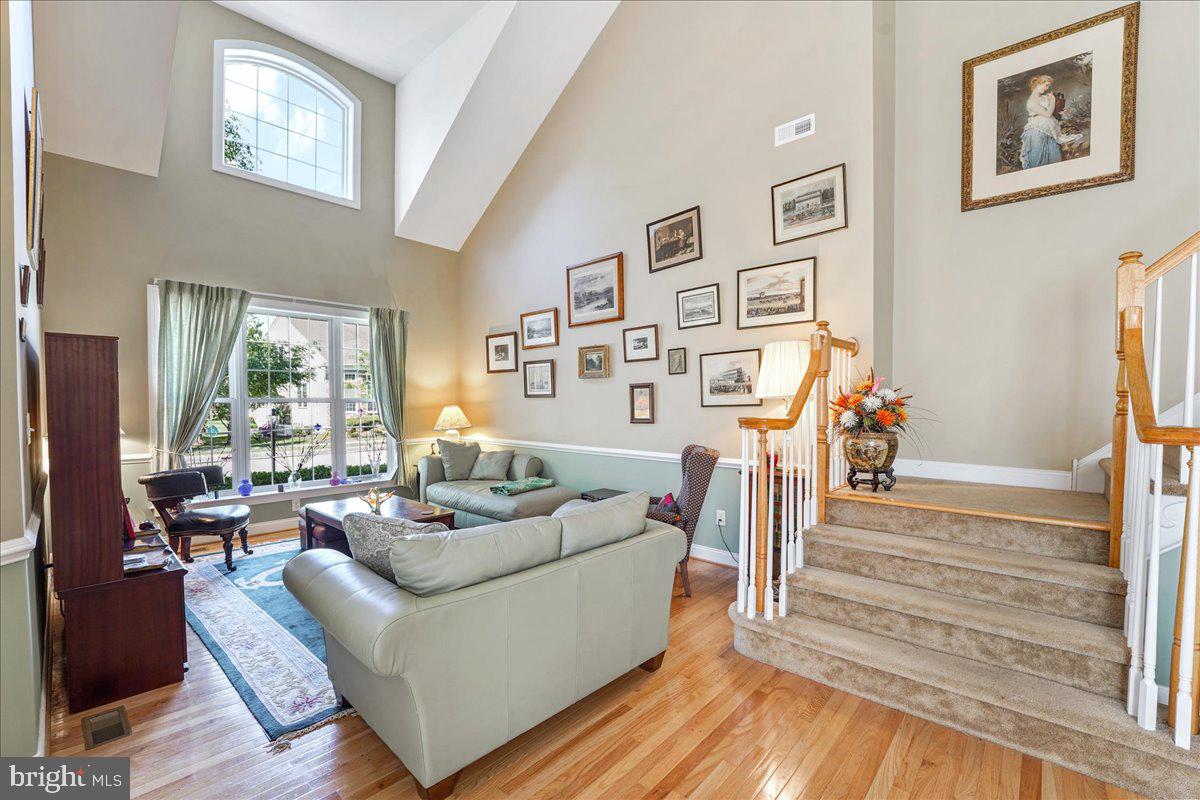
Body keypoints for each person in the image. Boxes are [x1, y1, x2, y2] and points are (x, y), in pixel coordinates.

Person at [1019, 75, 1083, 169]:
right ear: (1039, 84)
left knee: (1054, 157)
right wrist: (1053, 100)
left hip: (1050, 130)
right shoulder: (1031, 102)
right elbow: (1048, 114)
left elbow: (1053, 112)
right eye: (1046, 85)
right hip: (1036, 131)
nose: (1047, 88)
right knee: (1038, 159)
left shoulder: (1044, 97)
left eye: (1048, 86)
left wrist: (1060, 112)